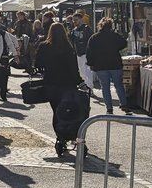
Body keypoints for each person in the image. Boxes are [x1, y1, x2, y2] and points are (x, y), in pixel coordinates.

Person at [34, 22, 87, 157]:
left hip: (51, 84)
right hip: (67, 84)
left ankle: (60, 137)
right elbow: (73, 68)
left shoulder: (44, 46)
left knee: (56, 111)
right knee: (71, 110)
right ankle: (73, 135)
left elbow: (37, 64)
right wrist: (79, 82)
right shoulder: (68, 47)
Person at [86, 17, 131, 114]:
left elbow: (89, 52)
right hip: (115, 64)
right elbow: (124, 43)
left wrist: (91, 63)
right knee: (118, 85)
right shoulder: (114, 36)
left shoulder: (94, 37)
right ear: (111, 26)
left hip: (101, 65)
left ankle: (109, 108)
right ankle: (124, 104)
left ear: (100, 26)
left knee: (105, 87)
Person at [69, 13, 94, 90]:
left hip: (86, 53)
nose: (74, 22)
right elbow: (71, 41)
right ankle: (85, 87)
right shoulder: (74, 30)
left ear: (81, 19)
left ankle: (90, 87)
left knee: (87, 71)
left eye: (76, 20)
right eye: (73, 20)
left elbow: (91, 40)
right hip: (78, 54)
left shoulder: (86, 28)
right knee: (82, 71)